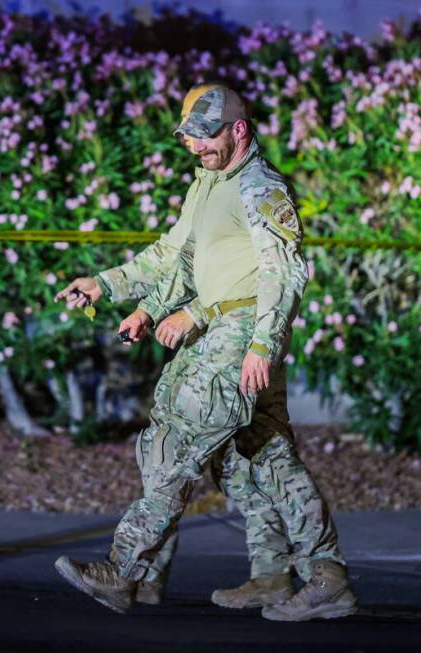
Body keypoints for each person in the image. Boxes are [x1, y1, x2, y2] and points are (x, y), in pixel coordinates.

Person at [53, 84, 357, 621]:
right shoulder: (210, 183)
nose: (196, 146)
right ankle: (292, 576)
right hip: (220, 329)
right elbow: (176, 256)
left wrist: (263, 344)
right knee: (260, 457)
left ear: (238, 130)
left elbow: (284, 271)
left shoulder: (259, 187)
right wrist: (115, 289)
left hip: (240, 335)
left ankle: (124, 571)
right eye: (189, 137)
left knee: (175, 445)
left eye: (206, 135)